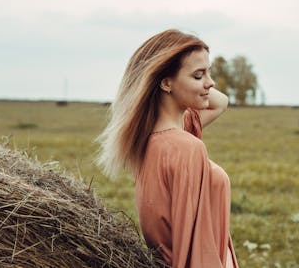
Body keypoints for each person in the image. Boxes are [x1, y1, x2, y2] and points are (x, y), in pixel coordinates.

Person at [96, 29, 239, 268]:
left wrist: (193, 70)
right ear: (165, 82)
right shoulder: (186, 147)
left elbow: (220, 102)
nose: (211, 82)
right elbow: (195, 246)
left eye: (209, 72)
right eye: (198, 76)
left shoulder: (150, 138)